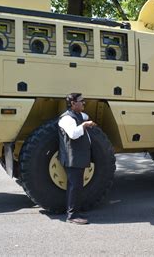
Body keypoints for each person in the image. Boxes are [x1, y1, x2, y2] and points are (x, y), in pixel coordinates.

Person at [58, 93, 96, 225]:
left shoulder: (79, 115)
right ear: (73, 103)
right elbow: (73, 134)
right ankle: (72, 215)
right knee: (74, 186)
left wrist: (85, 122)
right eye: (81, 101)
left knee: (77, 186)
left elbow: (84, 117)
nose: (84, 103)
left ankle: (75, 211)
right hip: (72, 158)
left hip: (77, 157)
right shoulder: (66, 119)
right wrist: (85, 125)